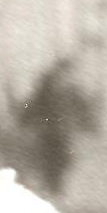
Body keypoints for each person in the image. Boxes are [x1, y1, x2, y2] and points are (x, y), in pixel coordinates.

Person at [17, 57, 92, 201]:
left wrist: (87, 122)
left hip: (63, 131)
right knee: (50, 159)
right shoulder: (45, 87)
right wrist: (24, 119)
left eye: (68, 72)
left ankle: (55, 186)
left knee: (64, 159)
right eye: (64, 72)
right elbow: (31, 103)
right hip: (48, 130)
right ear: (59, 71)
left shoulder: (72, 89)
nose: (67, 75)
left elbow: (82, 106)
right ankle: (53, 187)